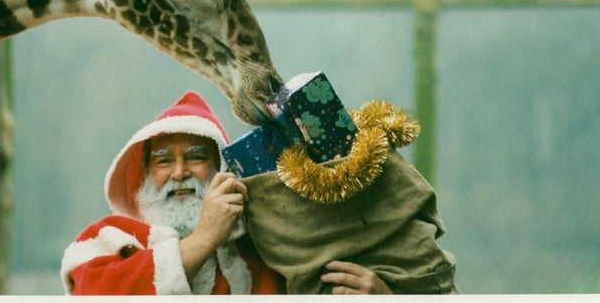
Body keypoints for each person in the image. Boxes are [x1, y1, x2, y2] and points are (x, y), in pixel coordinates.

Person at [61, 91, 392, 295]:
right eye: (163, 161)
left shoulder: (267, 243)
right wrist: (205, 237)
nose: (179, 172)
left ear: (222, 169)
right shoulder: (111, 237)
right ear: (144, 173)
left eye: (195, 156)